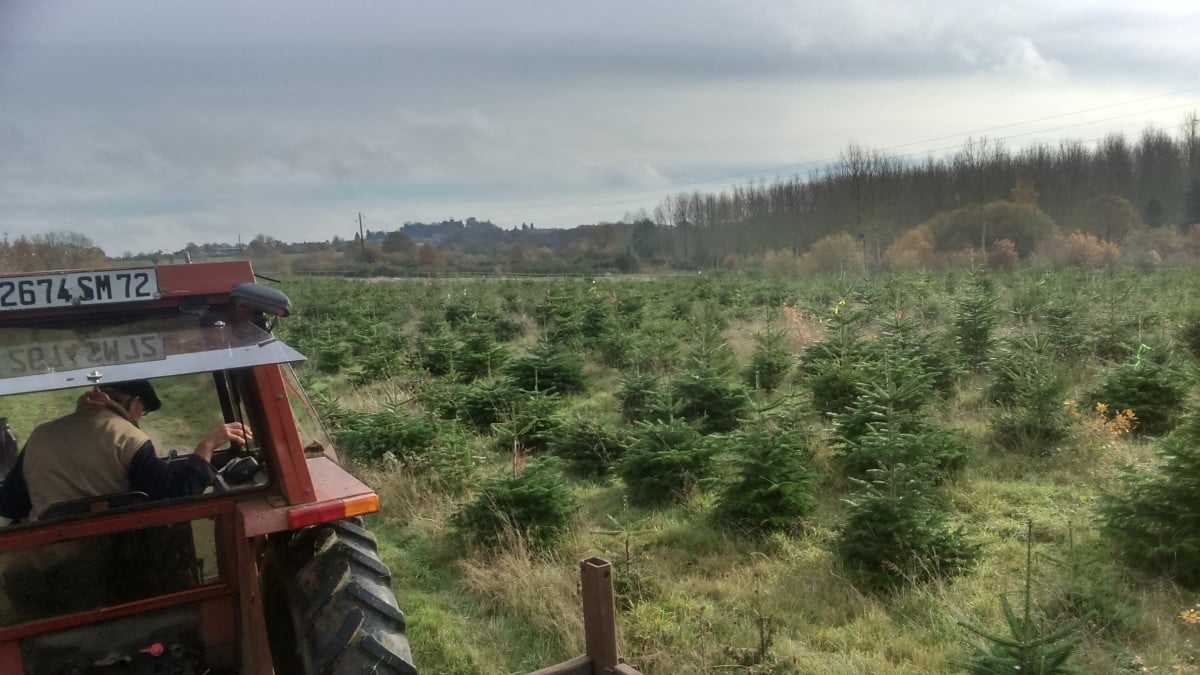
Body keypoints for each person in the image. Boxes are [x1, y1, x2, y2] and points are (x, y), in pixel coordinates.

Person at [0, 379, 252, 522]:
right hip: (119, 569)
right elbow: (174, 501)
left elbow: (11, 505)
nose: (141, 417)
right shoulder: (129, 439)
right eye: (144, 410)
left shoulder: (40, 435)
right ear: (135, 403)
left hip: (43, 569)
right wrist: (205, 448)